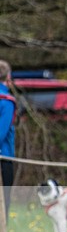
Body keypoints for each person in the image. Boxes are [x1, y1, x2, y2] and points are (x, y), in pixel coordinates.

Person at [0, 60, 16, 219]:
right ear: (8, 77)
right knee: (3, 204)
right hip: (3, 159)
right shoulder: (6, 101)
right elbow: (1, 133)